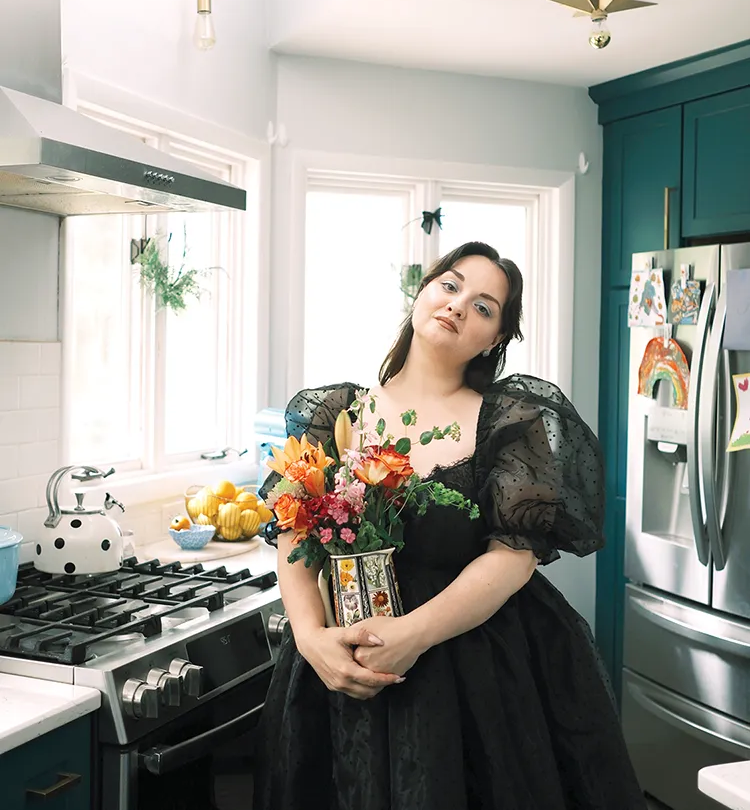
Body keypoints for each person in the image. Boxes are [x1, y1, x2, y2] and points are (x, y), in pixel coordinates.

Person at [253, 241, 646, 810]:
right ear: (423, 292)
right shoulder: (333, 414)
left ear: (494, 340)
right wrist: (313, 640)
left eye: (485, 308)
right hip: (335, 666)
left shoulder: (512, 420)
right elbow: (295, 538)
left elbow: (512, 558)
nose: (460, 305)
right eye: (451, 285)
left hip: (473, 672)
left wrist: (413, 635)